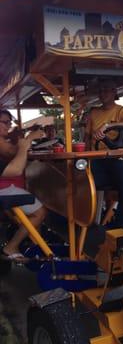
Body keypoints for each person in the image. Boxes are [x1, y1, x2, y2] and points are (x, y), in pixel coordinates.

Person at [84, 79, 123, 229]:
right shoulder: (93, 112)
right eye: (101, 91)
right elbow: (87, 137)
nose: (103, 93)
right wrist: (86, 155)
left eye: (106, 90)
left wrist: (108, 126)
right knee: (84, 186)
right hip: (95, 159)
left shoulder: (122, 111)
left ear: (114, 92)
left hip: (115, 158)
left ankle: (121, 227)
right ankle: (88, 224)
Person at [0, 110, 47, 260]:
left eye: (10, 122)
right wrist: (27, 141)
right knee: (40, 212)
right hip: (4, 188)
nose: (9, 126)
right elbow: (16, 169)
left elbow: (13, 151)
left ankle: (34, 245)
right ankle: (11, 247)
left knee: (34, 203)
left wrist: (22, 140)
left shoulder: (4, 139)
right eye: (5, 122)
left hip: (7, 187)